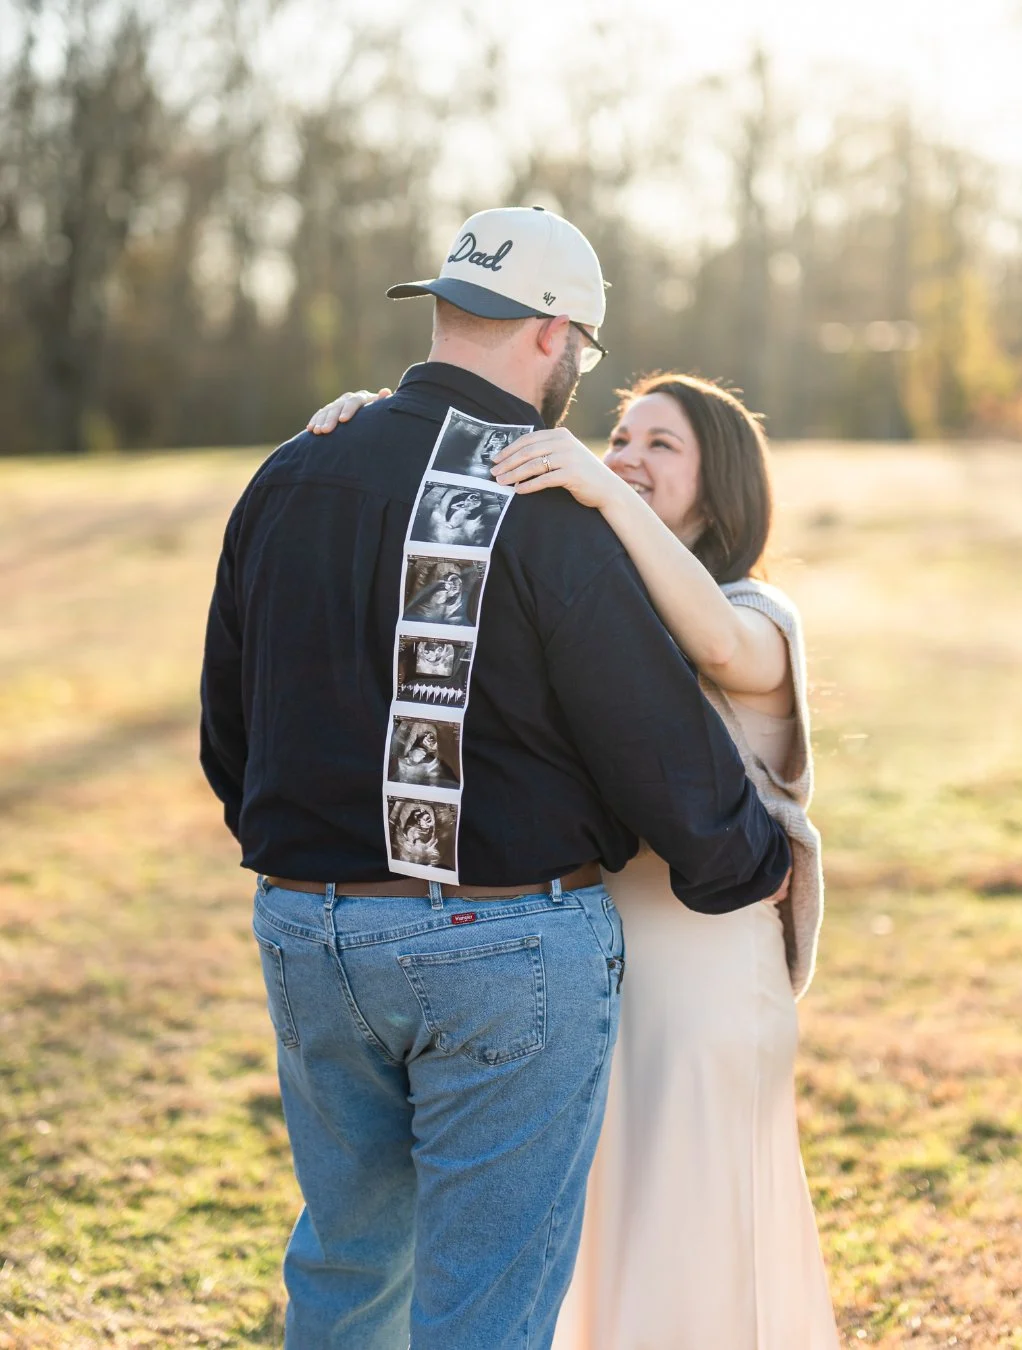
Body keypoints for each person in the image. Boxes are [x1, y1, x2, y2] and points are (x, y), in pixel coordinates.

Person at [200, 206, 791, 1350]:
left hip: (306, 929)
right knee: (485, 1302)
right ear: (555, 334)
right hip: (501, 945)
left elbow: (231, 718)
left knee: (346, 1260)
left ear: (442, 308)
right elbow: (646, 731)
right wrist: (748, 862)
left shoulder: (294, 467)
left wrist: (311, 863)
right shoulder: (537, 493)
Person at [309, 373, 839, 1348]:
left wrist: (598, 488)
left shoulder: (758, 614)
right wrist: (373, 430)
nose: (627, 454)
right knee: (592, 1230)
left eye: (660, 445)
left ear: (719, 489)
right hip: (585, 958)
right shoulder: (596, 608)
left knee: (690, 1231)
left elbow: (716, 644)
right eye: (619, 434)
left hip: (704, 971)